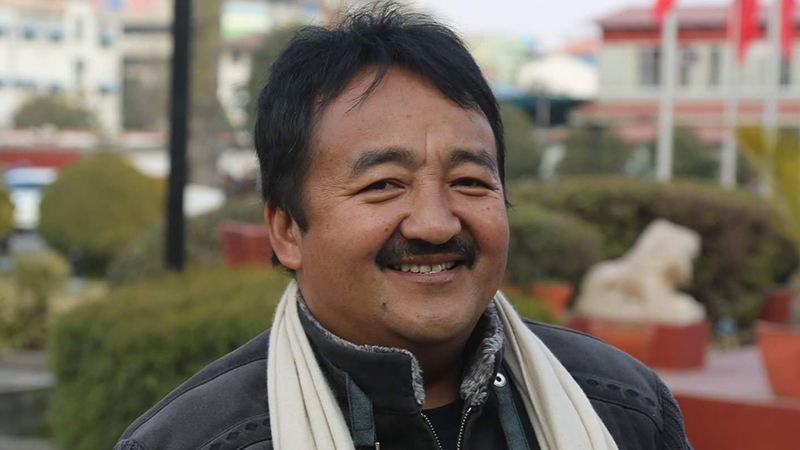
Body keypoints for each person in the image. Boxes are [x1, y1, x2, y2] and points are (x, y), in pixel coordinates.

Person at [114, 4, 692, 450]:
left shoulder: (623, 409)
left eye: (469, 181)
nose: (436, 225)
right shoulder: (196, 439)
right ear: (287, 230)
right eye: (384, 184)